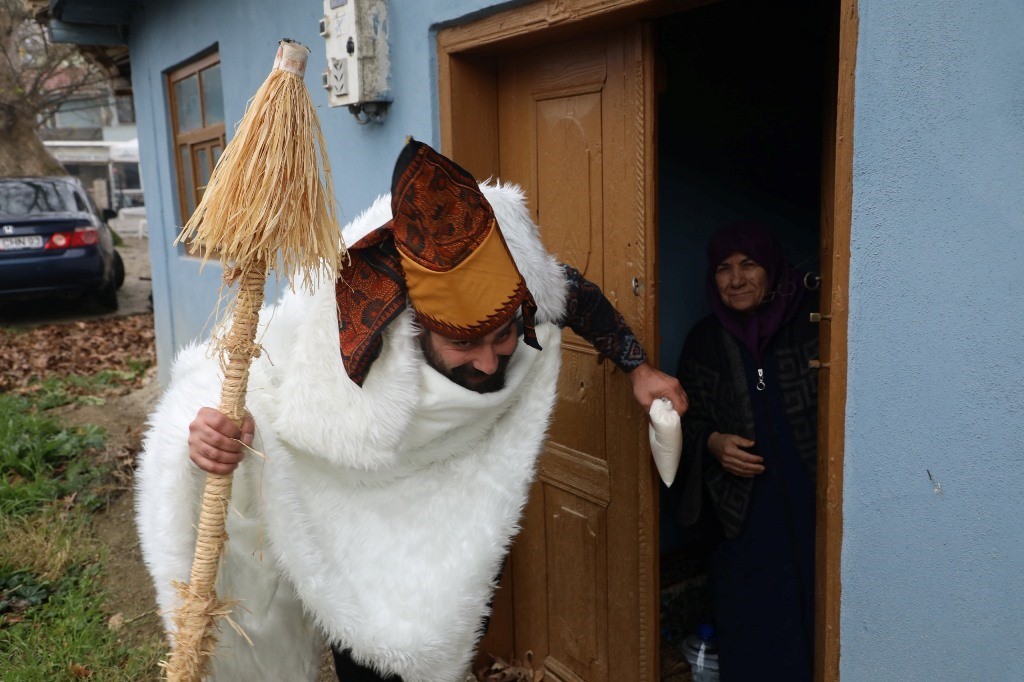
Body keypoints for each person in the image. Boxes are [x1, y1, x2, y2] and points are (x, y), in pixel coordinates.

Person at [136, 140, 686, 682]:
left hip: (451, 506)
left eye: (502, 337)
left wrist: (638, 366)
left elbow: (574, 294)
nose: (491, 364)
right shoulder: (348, 316)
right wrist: (215, 433)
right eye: (463, 345)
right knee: (367, 654)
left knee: (450, 620)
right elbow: (266, 377)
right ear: (416, 327)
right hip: (354, 514)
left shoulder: (521, 286)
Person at [674, 222, 818, 681]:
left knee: (818, 605)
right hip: (741, 510)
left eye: (748, 264)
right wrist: (713, 443)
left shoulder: (813, 326)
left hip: (811, 498)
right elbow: (683, 422)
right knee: (752, 614)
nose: (735, 280)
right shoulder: (704, 341)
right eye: (723, 268)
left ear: (771, 268)